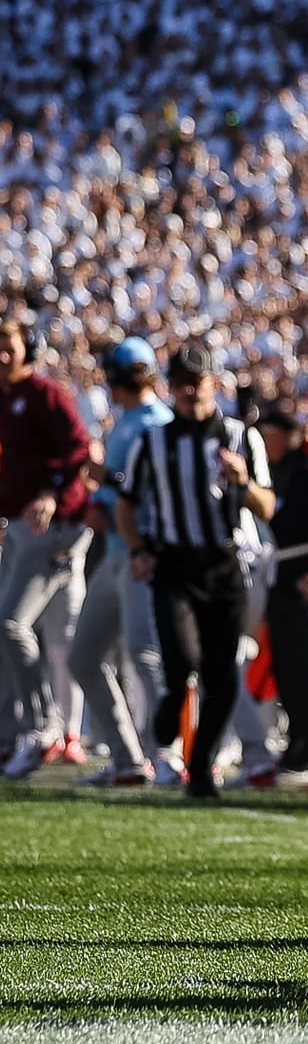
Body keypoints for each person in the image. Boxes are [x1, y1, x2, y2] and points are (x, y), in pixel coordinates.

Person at [115, 342, 275, 798]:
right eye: (181, 382)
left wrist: (242, 481)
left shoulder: (242, 437)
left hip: (224, 562)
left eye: (197, 381)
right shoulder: (153, 441)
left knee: (223, 673)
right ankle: (169, 701)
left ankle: (201, 766)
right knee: (182, 659)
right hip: (174, 563)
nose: (189, 390)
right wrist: (137, 550)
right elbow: (127, 506)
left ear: (214, 383)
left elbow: (267, 507)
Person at [69, 338, 175, 786]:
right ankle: (128, 758)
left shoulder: (158, 423)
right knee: (84, 656)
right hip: (114, 552)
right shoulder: (128, 421)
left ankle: (169, 751)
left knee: (145, 654)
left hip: (141, 554)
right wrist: (101, 496)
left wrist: (103, 481)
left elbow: (150, 488)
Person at [0, 317, 95, 779]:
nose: (1, 354)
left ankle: (42, 728)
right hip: (23, 528)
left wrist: (52, 492)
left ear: (28, 349)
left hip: (54, 528)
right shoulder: (6, 398)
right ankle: (25, 730)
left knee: (14, 624)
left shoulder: (44, 394)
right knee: (56, 637)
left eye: (8, 345)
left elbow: (79, 447)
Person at [256, 408, 308, 775]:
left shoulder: (304, 475)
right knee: (282, 665)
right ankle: (296, 740)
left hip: (299, 575)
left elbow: (301, 526)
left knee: (301, 667)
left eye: (270, 434)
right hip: (277, 576)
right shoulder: (273, 474)